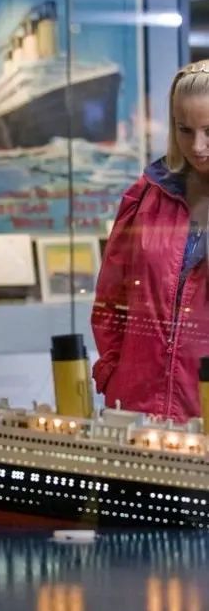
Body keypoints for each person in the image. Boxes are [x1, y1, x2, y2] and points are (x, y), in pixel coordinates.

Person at [91, 60, 209, 422]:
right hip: (136, 403)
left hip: (203, 400)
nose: (198, 145)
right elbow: (111, 298)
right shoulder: (144, 197)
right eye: (185, 130)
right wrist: (113, 373)